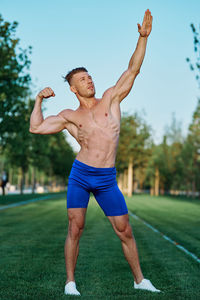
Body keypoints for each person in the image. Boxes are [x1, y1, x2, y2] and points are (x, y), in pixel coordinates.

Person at [29, 9, 160, 296]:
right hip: (81, 175)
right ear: (74, 88)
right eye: (84, 79)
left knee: (124, 229)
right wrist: (38, 99)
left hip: (106, 178)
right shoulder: (68, 116)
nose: (90, 81)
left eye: (90, 77)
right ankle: (70, 283)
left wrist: (143, 39)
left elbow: (132, 70)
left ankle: (140, 281)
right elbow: (36, 128)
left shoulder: (111, 100)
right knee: (76, 228)